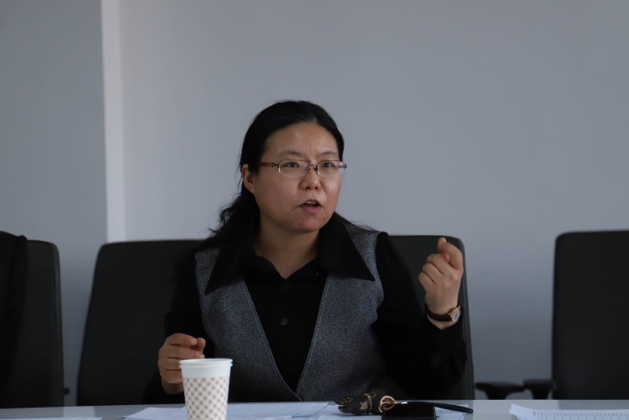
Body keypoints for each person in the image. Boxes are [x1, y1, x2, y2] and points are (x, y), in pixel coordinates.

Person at [143, 100, 467, 403]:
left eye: (327, 165)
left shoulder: (374, 256)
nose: (313, 181)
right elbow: (173, 394)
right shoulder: (205, 270)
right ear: (250, 177)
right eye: (292, 164)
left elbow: (426, 384)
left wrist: (441, 312)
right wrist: (171, 380)